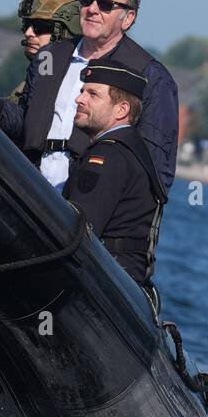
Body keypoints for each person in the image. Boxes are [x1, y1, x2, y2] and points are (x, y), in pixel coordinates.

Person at [0, 0, 178, 194]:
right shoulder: (50, 56)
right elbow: (26, 120)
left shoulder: (151, 77)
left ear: (128, 18)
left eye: (105, 4)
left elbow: (155, 168)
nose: (92, 9)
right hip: (29, 189)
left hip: (88, 200)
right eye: (87, 0)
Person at [64, 62, 167, 287]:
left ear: (121, 110)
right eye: (82, 91)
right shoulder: (129, 150)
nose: (79, 99)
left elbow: (77, 230)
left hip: (105, 280)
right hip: (126, 278)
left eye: (93, 94)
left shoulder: (107, 157)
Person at [17, 0, 82, 60]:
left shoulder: (82, 71)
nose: (28, 33)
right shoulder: (42, 70)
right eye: (26, 24)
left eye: (40, 26)